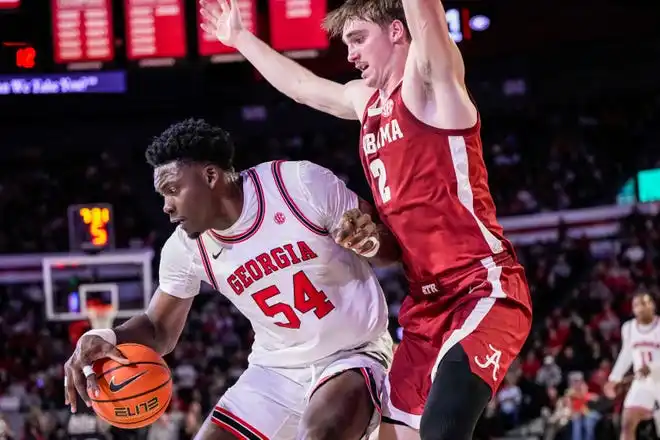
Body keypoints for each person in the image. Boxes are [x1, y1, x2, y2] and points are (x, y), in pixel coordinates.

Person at [200, 0, 532, 438]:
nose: (351, 54)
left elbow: (428, 20)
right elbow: (303, 86)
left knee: (443, 427)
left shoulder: (431, 85)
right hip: (425, 305)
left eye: (358, 39)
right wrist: (240, 38)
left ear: (397, 32)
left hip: (482, 288)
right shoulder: (365, 101)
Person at [63, 119, 399, 440]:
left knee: (320, 435)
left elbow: (391, 249)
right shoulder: (185, 248)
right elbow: (159, 331)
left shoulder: (298, 184)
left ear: (210, 176)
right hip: (276, 370)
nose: (166, 206)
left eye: (172, 190)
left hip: (355, 351)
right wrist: (106, 335)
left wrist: (369, 242)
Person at [605, 292, 660, 440]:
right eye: (636, 305)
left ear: (652, 305)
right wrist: (614, 378)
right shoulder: (628, 328)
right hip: (642, 382)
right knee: (628, 422)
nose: (640, 308)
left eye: (644, 303)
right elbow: (626, 354)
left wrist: (652, 366)